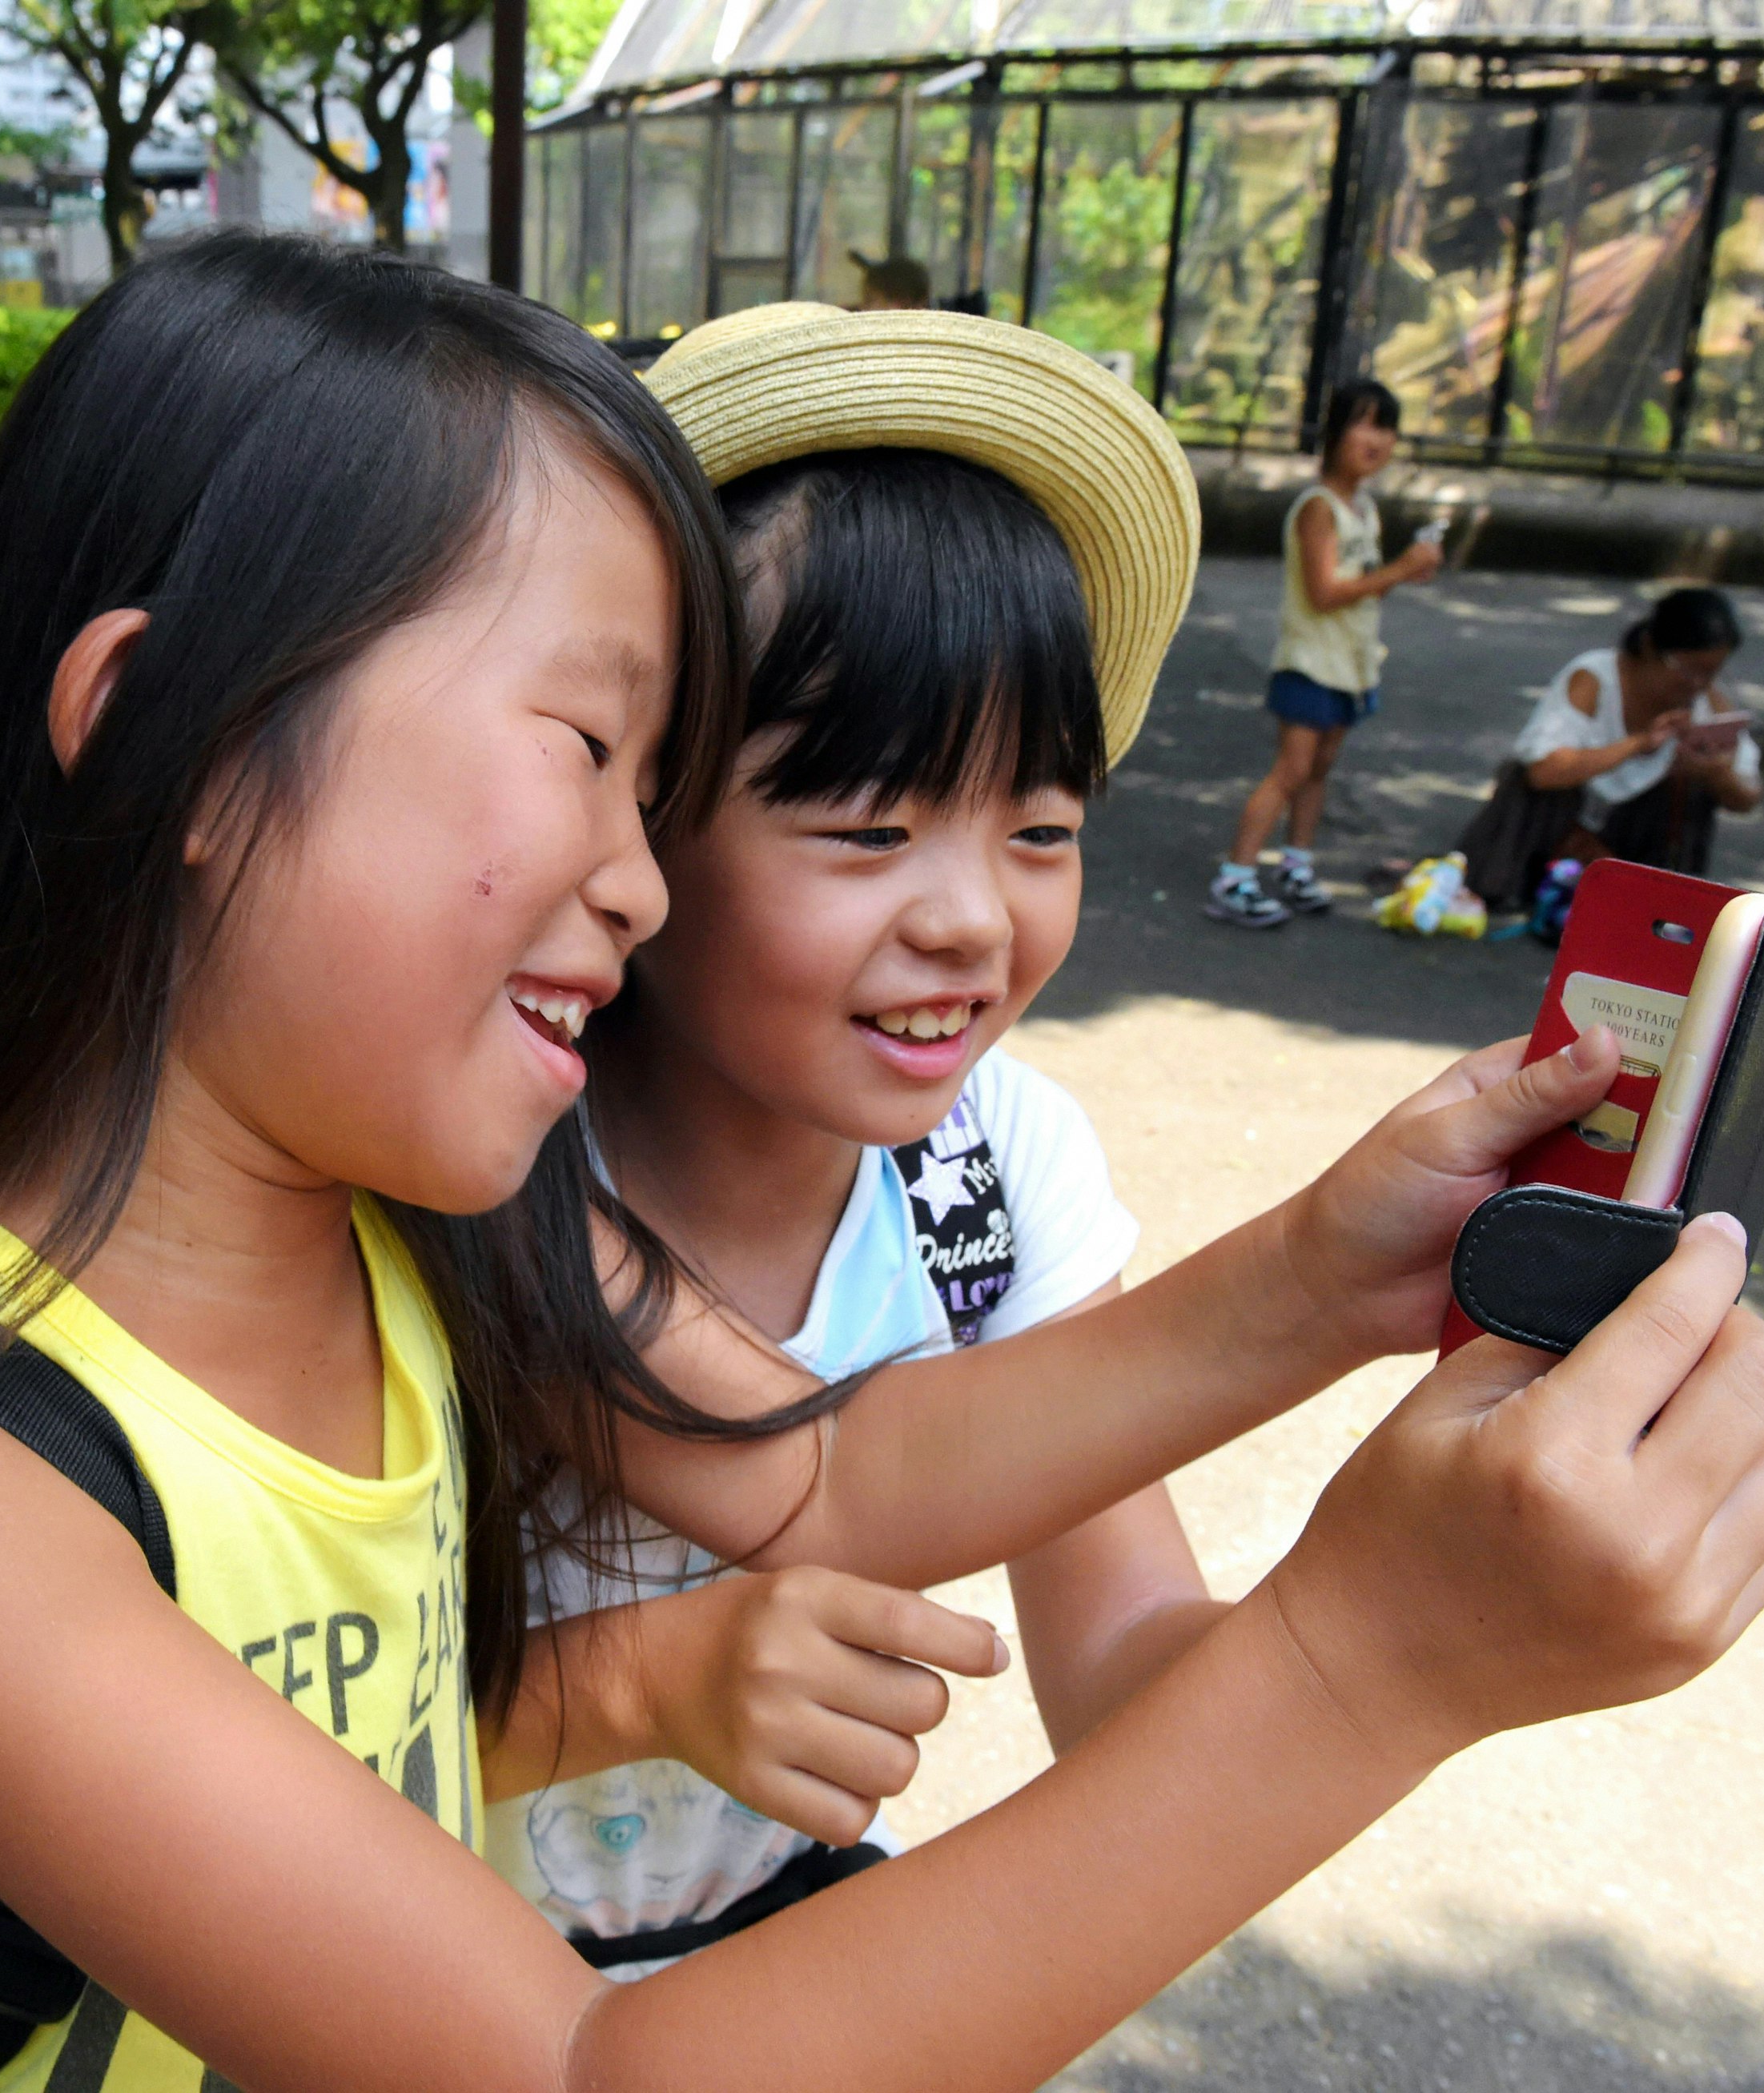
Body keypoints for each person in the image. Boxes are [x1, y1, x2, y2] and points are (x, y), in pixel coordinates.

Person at [0, 235, 1764, 2093]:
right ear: (176, 726)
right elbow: (572, 2065)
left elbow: (846, 1475)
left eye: (664, 787)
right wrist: (1375, 1656)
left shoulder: (445, 1225)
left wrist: (1345, 1268)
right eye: (590, 749)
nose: (641, 881)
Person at [488, 303, 1216, 1970]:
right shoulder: (487, 1146)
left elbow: (1129, 1653)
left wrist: (1411, 1589)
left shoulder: (994, 1171)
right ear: (641, 807)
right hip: (427, 1984)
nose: (971, 917)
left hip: (779, 1962)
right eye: (870, 825)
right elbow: (306, 1700)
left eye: (1042, 824)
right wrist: (655, 1675)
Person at [1210, 380, 1441, 928]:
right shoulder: (1318, 508)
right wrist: (1401, 570)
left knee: (1320, 770)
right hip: (1310, 662)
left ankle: (1297, 864)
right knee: (1290, 770)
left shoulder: (1362, 508)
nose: (1377, 438)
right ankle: (1236, 878)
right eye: (1365, 423)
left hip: (1351, 665)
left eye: (1386, 426)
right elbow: (1324, 592)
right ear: (1334, 432)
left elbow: (1364, 586)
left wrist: (1405, 574)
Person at [1455, 587, 1762, 914]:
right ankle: (1512, 883)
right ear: (1650, 647)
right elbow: (1542, 771)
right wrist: (1637, 744)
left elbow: (1748, 797)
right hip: (1565, 825)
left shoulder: (1708, 704)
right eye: (1687, 669)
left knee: (1693, 791)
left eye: (1710, 673)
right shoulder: (1594, 678)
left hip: (1634, 837)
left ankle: (1655, 902)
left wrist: (1719, 774)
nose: (1697, 684)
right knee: (1526, 776)